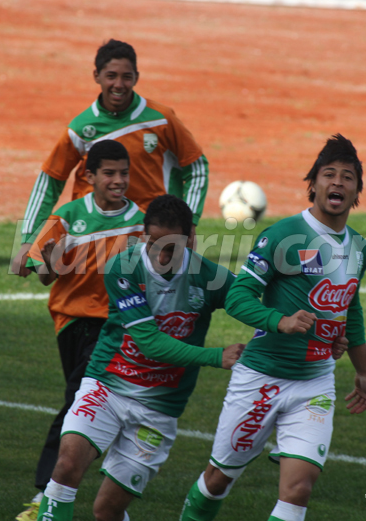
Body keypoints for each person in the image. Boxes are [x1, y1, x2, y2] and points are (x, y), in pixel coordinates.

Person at [178, 134, 366, 521]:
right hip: (262, 378)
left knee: (298, 489)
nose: (337, 182)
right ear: (312, 184)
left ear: (356, 192)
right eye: (329, 174)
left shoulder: (360, 248)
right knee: (219, 477)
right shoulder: (282, 236)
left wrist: (363, 371)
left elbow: (350, 308)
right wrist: (279, 321)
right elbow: (238, 297)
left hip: (315, 382)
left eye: (348, 177)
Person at [34, 194, 245, 521]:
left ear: (191, 238)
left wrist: (301, 325)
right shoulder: (123, 266)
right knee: (65, 467)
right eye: (154, 245)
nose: (161, 256)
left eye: (172, 247)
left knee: (106, 510)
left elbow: (253, 302)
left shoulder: (208, 276)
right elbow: (150, 343)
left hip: (158, 409)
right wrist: (217, 356)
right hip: (107, 386)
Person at [17, 140, 146, 519]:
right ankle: (109, 483)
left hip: (115, 324)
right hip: (71, 323)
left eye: (124, 173)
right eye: (109, 173)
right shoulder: (69, 217)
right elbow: (43, 275)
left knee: (79, 399)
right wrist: (52, 262)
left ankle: (47, 495)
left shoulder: (141, 221)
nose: (118, 180)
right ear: (89, 176)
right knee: (83, 402)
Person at [10, 39, 209, 279]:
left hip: (146, 237)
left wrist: (189, 223)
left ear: (136, 77)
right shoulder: (81, 128)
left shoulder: (162, 119)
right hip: (95, 235)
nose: (119, 84)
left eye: (126, 76)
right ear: (97, 75)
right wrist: (27, 238)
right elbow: (50, 180)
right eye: (111, 75)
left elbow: (197, 167)